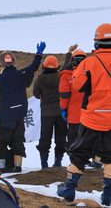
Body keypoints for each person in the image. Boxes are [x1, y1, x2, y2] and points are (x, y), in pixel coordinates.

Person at [58, 24, 111, 205]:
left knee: (79, 154)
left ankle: (69, 189)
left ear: (97, 43)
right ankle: (108, 195)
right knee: (110, 156)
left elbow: (77, 85)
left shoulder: (88, 63)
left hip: (91, 118)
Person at [0, 42, 45, 173]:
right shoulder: (21, 74)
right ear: (14, 61)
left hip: (3, 117)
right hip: (19, 116)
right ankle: (18, 167)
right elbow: (33, 67)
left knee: (1, 142)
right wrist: (39, 53)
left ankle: (1, 168)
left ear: (2, 63)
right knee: (18, 141)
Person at [33, 55, 67, 169]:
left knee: (45, 138)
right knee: (61, 137)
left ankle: (44, 163)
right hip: (61, 111)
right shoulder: (61, 77)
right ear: (57, 66)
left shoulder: (40, 79)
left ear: (44, 66)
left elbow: (36, 95)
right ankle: (58, 161)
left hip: (46, 113)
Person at [59, 46, 89, 149]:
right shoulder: (92, 74)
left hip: (74, 115)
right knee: (90, 138)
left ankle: (75, 162)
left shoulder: (66, 76)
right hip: (89, 114)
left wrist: (63, 109)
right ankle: (95, 161)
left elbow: (64, 95)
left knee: (74, 140)